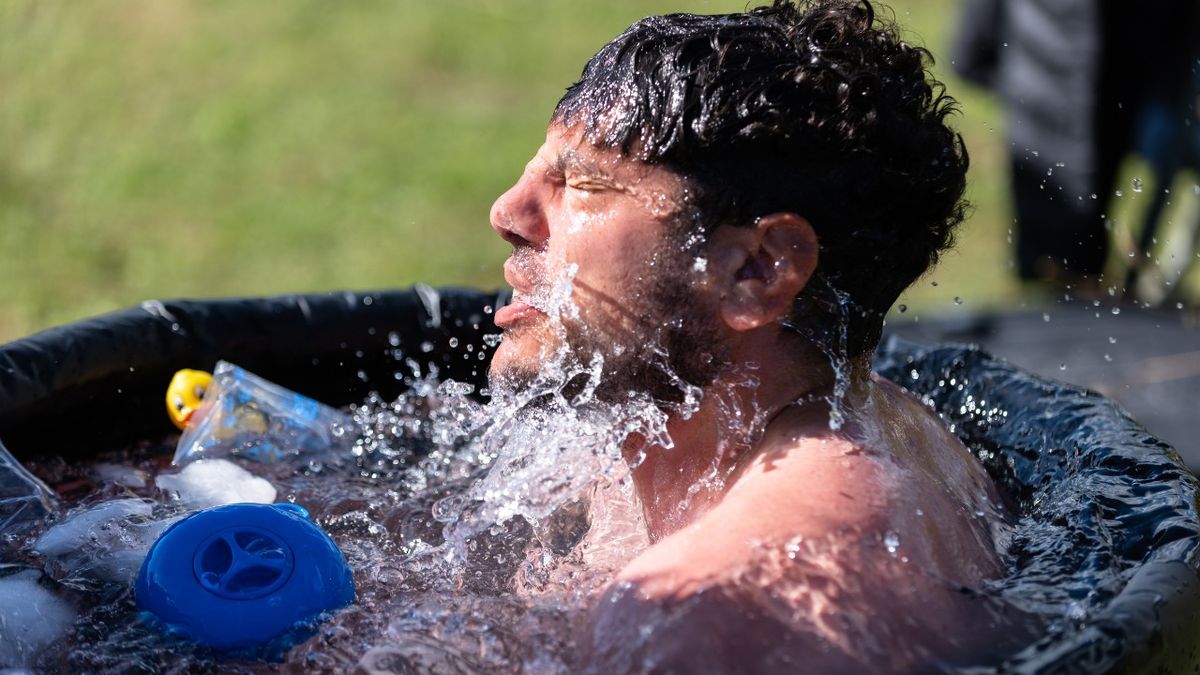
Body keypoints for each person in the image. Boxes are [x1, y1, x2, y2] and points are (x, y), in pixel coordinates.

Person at [487, 1, 1023, 670]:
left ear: (757, 270)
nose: (508, 212)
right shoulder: (870, 425)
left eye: (582, 184)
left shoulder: (703, 615)